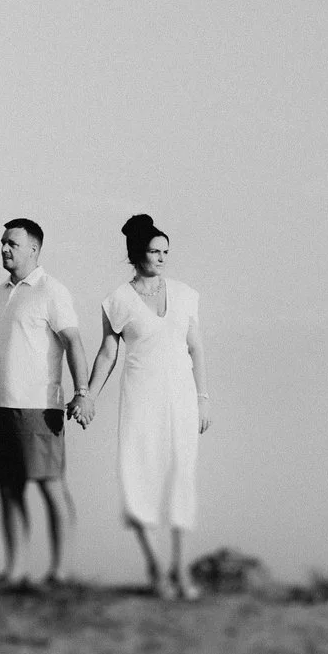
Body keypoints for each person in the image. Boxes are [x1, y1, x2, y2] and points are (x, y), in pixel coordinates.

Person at [78, 213, 210, 598]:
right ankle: (155, 566)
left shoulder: (185, 294)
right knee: (137, 475)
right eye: (155, 251)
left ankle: (181, 568)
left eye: (166, 251)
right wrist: (87, 394)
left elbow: (197, 347)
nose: (162, 258)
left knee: (181, 476)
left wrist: (204, 398)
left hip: (182, 397)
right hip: (140, 397)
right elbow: (107, 353)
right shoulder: (117, 301)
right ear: (138, 253)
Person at [0, 218, 91, 586]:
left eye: (12, 243)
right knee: (8, 488)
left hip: (39, 407)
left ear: (33, 249)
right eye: (3, 243)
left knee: (50, 484)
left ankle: (62, 570)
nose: (4, 249)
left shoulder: (52, 291)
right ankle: (17, 570)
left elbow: (73, 342)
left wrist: (82, 393)